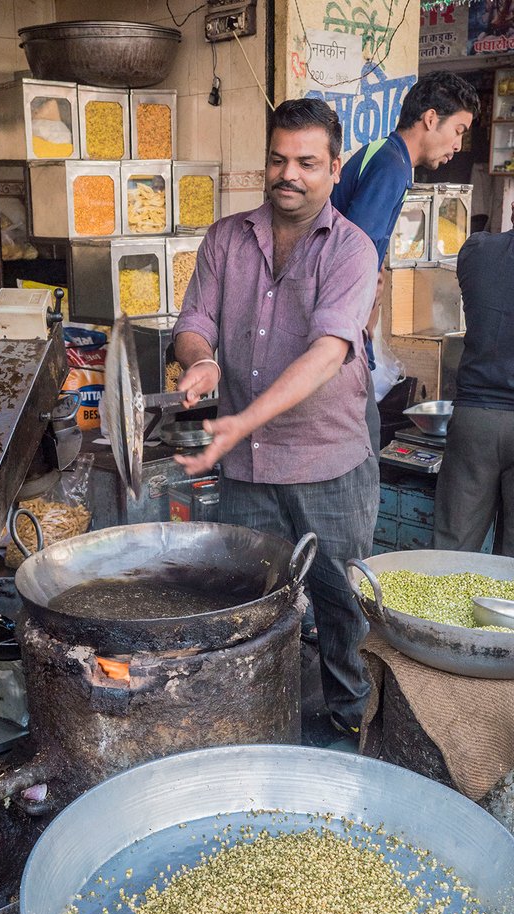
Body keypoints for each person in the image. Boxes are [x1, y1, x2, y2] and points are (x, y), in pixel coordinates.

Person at [171, 98, 379, 737]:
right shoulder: (226, 238)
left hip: (327, 463)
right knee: (249, 602)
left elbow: (327, 354)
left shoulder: (351, 251)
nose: (289, 173)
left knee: (342, 606)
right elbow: (194, 322)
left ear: (334, 168)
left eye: (307, 163)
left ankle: (353, 726)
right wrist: (202, 362)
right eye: (278, 159)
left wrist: (240, 420)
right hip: (247, 470)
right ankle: (253, 722)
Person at [332, 71, 481, 454]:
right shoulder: (392, 167)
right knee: (360, 450)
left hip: (339, 323)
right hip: (340, 330)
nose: (458, 146)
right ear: (431, 119)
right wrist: (363, 325)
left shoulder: (381, 151)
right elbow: (356, 254)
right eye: (459, 130)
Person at [433, 202, 514, 556]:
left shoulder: (478, 251)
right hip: (482, 411)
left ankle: (434, 613)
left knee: (452, 551)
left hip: (475, 420)